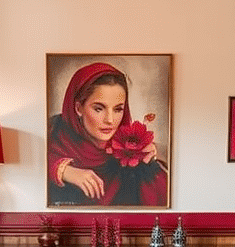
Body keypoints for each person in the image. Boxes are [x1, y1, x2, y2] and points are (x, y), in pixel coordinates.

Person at [47, 61, 167, 206]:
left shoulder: (131, 151)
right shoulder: (53, 132)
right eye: (99, 109)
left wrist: (155, 154)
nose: (110, 120)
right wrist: (63, 171)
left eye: (118, 110)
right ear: (78, 108)